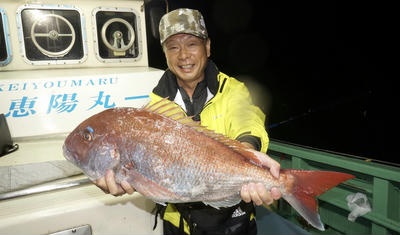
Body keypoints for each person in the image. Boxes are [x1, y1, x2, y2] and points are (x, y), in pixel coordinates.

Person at [94, 8, 281, 235]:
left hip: (233, 220)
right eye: (173, 47)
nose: (183, 55)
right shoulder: (155, 107)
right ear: (165, 53)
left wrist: (248, 153)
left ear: (208, 47)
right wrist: (123, 175)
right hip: (179, 223)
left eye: (192, 44)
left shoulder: (232, 90)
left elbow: (248, 121)